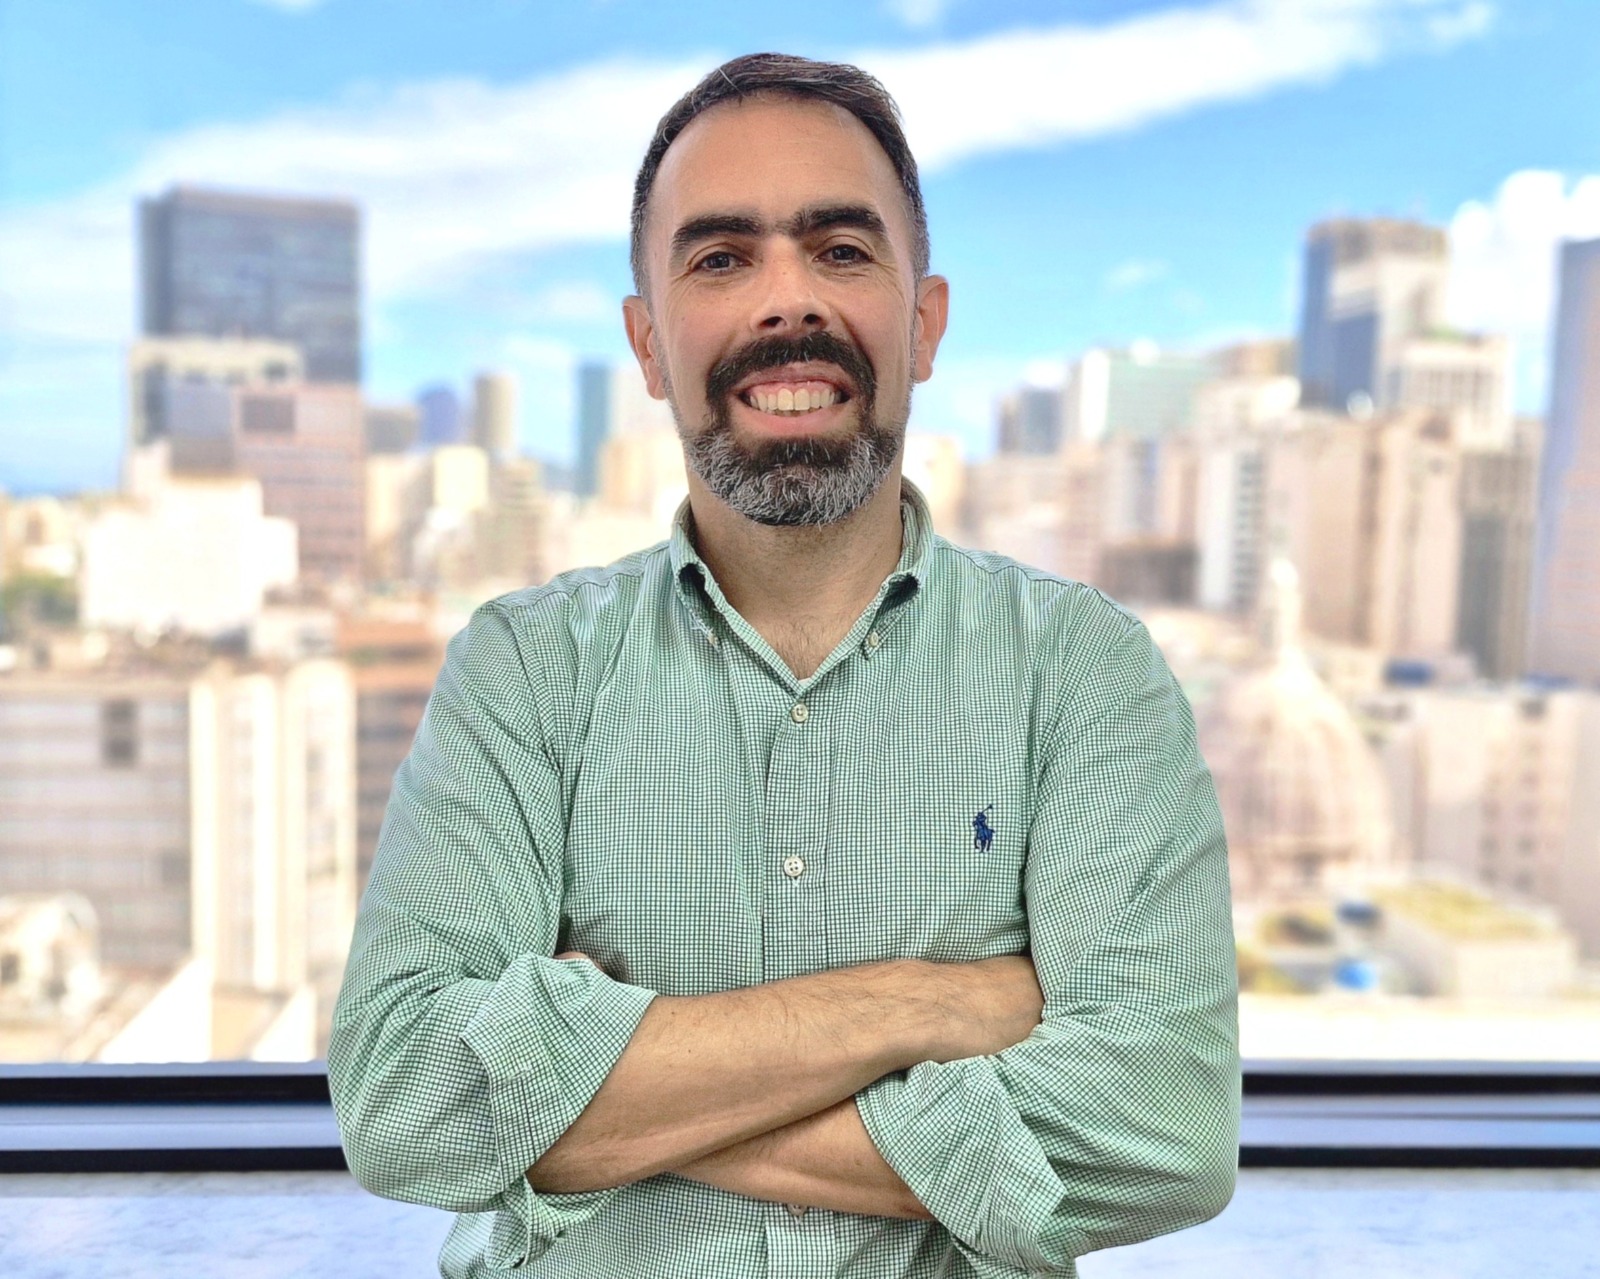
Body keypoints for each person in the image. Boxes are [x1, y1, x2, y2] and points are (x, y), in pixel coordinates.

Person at [328, 52, 1240, 1279]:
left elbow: (1162, 1130)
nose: (785, 301)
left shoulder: (1081, 673)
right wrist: (927, 1005)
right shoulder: (524, 671)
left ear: (924, 324)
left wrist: (596, 1099)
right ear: (649, 346)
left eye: (841, 250)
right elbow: (402, 1098)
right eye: (719, 259)